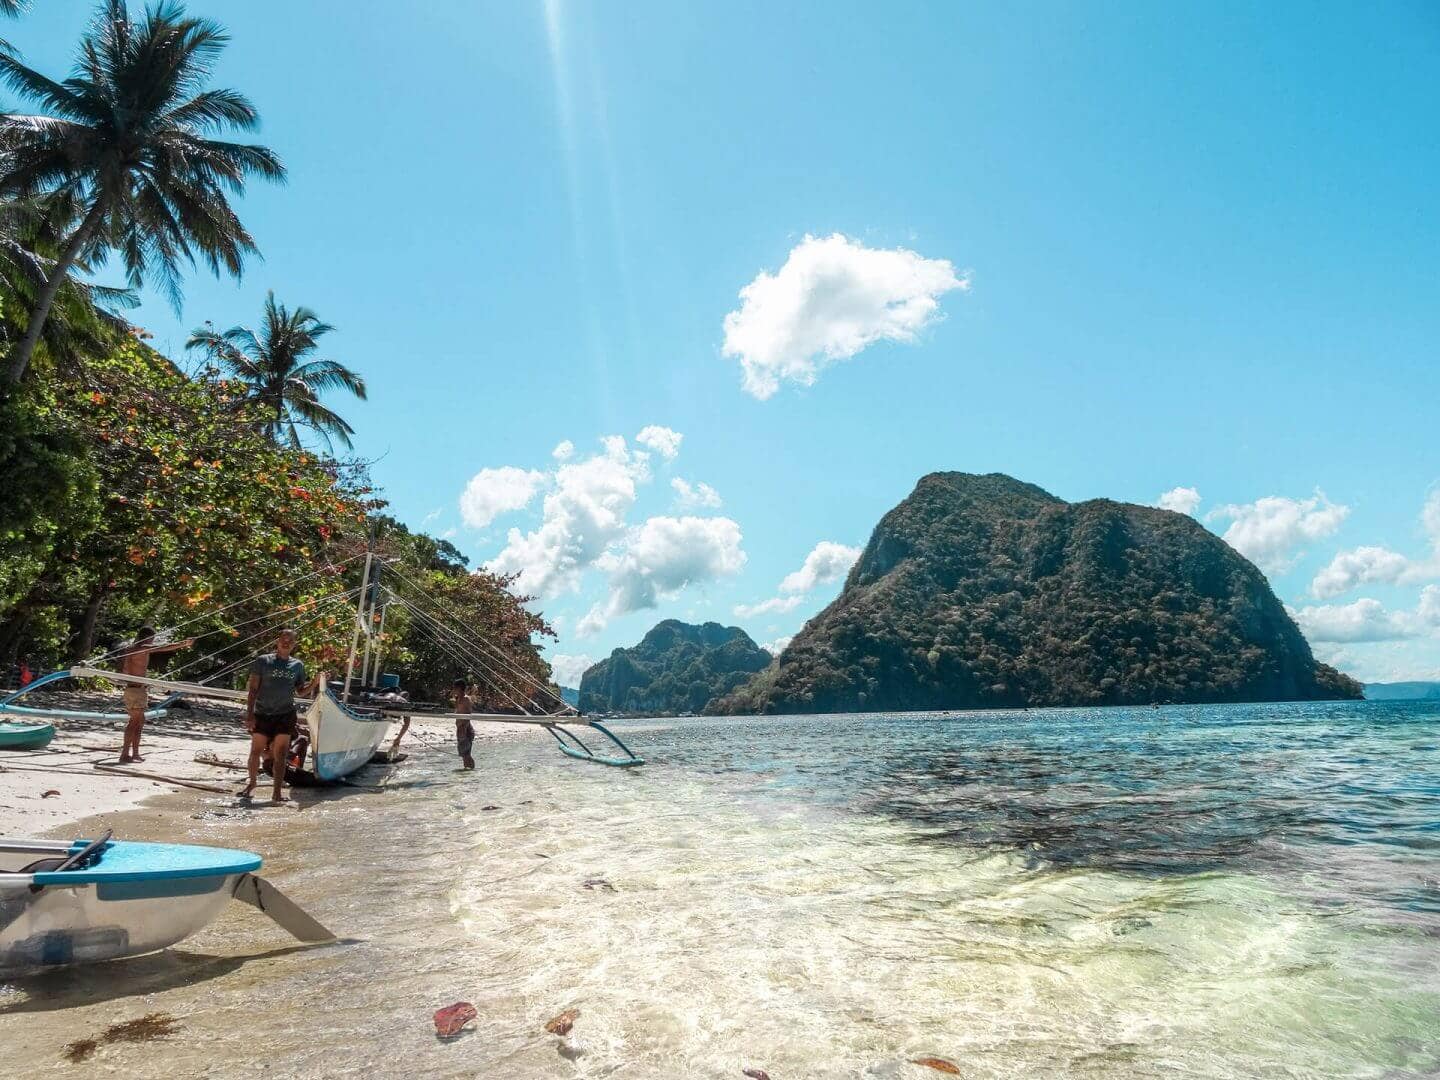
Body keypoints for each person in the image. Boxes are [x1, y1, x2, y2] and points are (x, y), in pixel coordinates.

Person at [244, 629, 320, 803]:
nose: (286, 643)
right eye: (283, 640)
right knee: (255, 751)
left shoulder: (297, 665)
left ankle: (277, 792)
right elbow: (253, 689)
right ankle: (252, 783)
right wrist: (250, 714)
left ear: (294, 644)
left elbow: (301, 692)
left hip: (285, 714)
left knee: (280, 755)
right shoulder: (263, 661)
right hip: (262, 713)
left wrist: (314, 683)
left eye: (290, 641)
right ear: (277, 642)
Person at [117, 626, 194, 763]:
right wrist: (183, 643)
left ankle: (134, 753)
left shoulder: (131, 649)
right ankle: (124, 754)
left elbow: (124, 669)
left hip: (137, 690)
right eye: (152, 639)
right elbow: (164, 647)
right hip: (135, 690)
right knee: (134, 722)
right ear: (147, 638)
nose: (152, 642)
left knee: (139, 722)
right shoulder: (141, 648)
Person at [453, 678, 475, 770]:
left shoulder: (466, 699)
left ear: (459, 688)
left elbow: (468, 714)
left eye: (455, 688)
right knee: (464, 755)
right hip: (460, 729)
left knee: (466, 755)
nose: (453, 690)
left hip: (465, 730)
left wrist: (463, 729)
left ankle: (471, 773)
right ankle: (468, 772)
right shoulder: (458, 699)